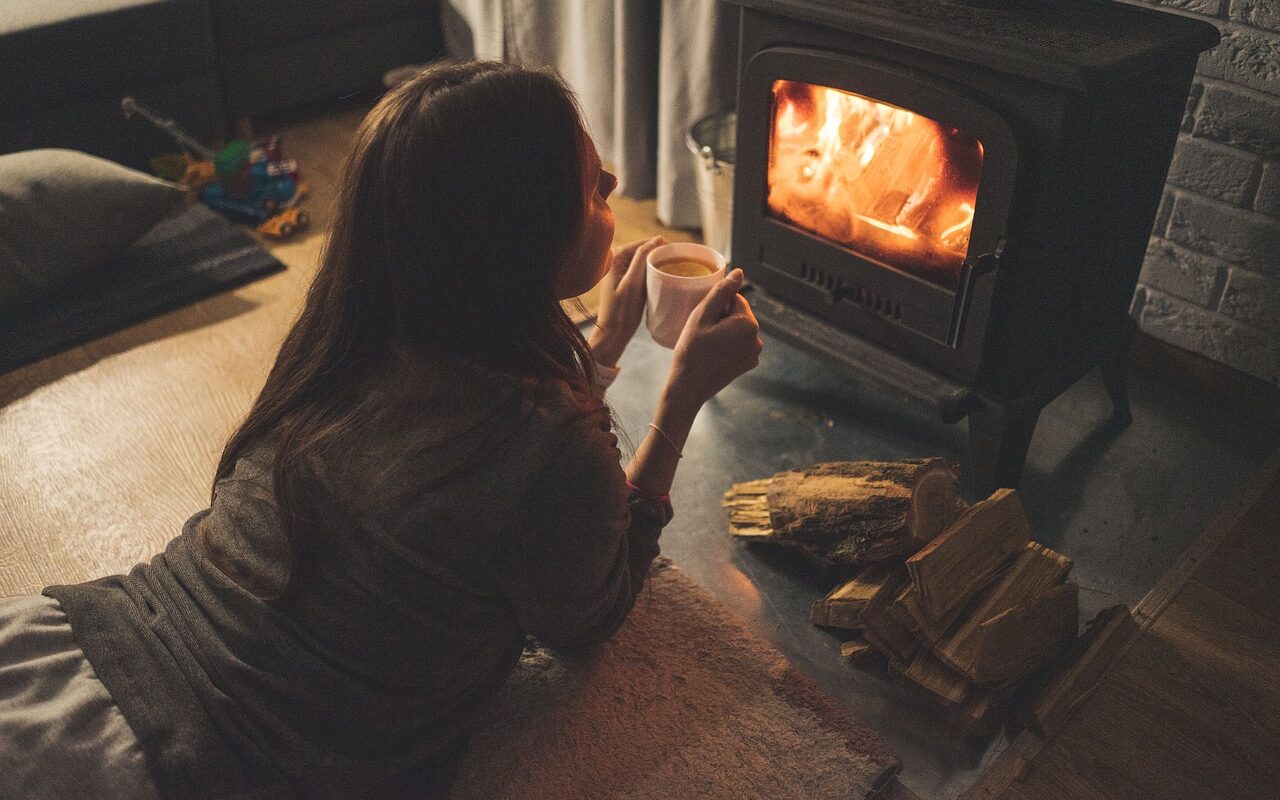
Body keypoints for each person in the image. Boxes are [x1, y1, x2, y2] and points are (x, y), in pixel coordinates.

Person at [0, 61, 762, 799]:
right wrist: (681, 399)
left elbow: (469, 455)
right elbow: (591, 615)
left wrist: (596, 356)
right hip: (180, 760)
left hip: (84, 644)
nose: (614, 188)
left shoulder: (348, 337)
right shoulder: (552, 453)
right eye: (590, 184)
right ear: (514, 236)